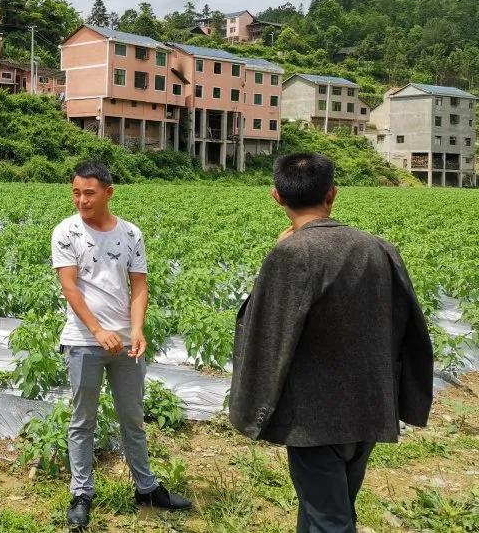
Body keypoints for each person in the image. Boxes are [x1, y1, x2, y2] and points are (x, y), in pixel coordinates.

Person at [230, 152, 434, 533]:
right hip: (370, 408)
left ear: (277, 196)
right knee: (328, 509)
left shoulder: (292, 254)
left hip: (315, 420)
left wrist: (251, 412)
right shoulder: (379, 248)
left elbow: (263, 329)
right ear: (332, 194)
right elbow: (410, 328)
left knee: (330, 521)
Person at [51, 161, 192, 529]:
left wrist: (138, 329)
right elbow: (69, 288)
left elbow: (139, 287)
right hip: (84, 342)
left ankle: (146, 488)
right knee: (83, 421)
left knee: (133, 418)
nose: (81, 200)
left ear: (108, 193)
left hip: (127, 345)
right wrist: (98, 331)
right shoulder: (66, 232)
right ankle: (81, 493)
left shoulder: (130, 234)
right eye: (76, 192)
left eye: (89, 193)